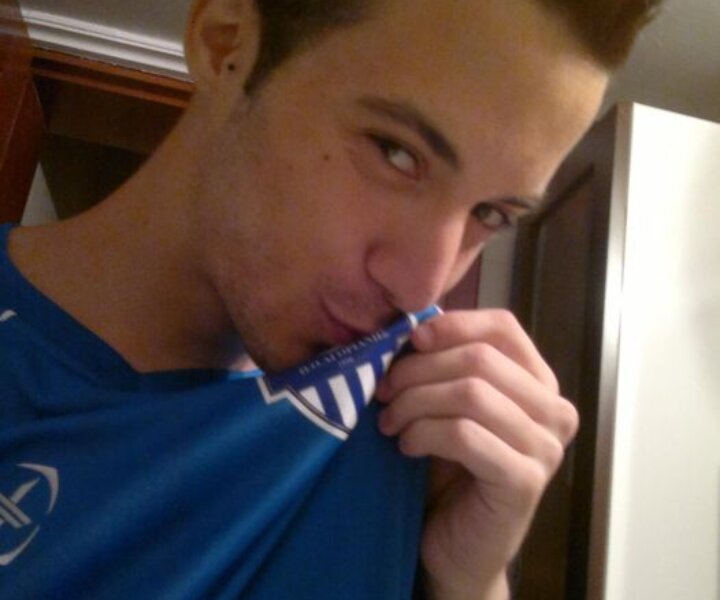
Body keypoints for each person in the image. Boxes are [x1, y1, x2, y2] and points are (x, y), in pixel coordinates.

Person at [0, 0, 660, 598]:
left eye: (490, 213)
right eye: (397, 154)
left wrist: (469, 580)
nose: (422, 288)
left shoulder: (421, 434)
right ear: (226, 44)